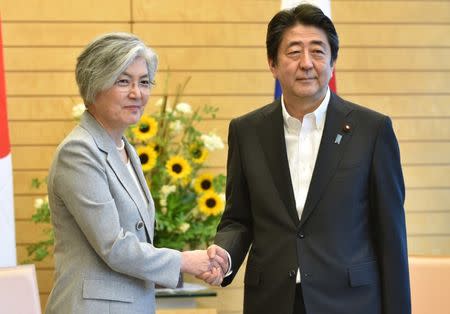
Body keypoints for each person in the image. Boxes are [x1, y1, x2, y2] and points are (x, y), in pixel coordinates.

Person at [200, 4, 411, 314]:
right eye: (294, 52)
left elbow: (391, 235)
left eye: (318, 51)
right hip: (272, 300)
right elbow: (238, 218)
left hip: (350, 301)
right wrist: (225, 255)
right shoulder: (247, 131)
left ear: (333, 62)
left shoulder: (372, 130)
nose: (307, 63)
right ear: (272, 63)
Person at [45, 32, 222, 314]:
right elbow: (114, 246)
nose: (137, 93)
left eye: (144, 82)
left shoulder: (125, 148)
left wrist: (204, 261)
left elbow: (138, 243)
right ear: (95, 85)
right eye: (123, 81)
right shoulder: (78, 151)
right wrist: (185, 261)